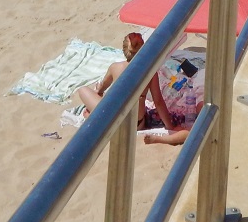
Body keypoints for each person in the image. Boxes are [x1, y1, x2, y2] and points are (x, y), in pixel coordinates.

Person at [75, 32, 204, 146]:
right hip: (135, 123)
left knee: (83, 90)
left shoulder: (115, 67)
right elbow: (158, 101)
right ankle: (95, 117)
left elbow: (102, 87)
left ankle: (95, 116)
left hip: (110, 116)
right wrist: (169, 126)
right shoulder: (149, 71)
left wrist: (99, 92)